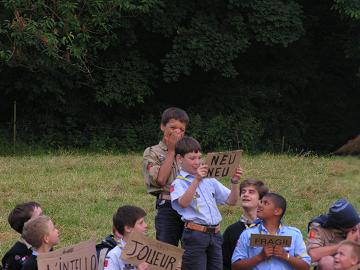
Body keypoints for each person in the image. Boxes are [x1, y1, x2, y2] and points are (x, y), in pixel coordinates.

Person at [170, 136, 242, 270]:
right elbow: (183, 203)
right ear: (180, 159)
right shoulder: (179, 182)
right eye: (192, 158)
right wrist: (196, 180)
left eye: (199, 157)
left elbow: (232, 201)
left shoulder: (210, 180)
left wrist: (234, 182)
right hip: (195, 235)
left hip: (215, 234)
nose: (197, 162)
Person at [143, 107, 189, 246]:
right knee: (167, 249)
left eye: (181, 129)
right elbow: (161, 180)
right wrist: (171, 151)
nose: (177, 132)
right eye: (173, 127)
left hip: (189, 206)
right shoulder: (153, 152)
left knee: (191, 251)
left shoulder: (189, 152)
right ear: (163, 126)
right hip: (168, 206)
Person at [232, 192, 311, 270]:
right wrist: (260, 257)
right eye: (261, 202)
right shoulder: (247, 234)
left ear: (277, 211)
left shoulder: (294, 234)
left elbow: (306, 266)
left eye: (265, 203)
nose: (259, 205)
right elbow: (235, 266)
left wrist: (285, 255)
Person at [222, 179, 269, 270]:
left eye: (251, 192)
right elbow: (224, 263)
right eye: (243, 192)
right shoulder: (231, 230)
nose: (245, 194)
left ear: (261, 200)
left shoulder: (271, 228)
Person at [307, 199, 360, 270]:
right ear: (340, 226)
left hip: (355, 262)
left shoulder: (356, 222)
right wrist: (344, 244)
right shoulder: (318, 228)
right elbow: (313, 255)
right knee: (326, 262)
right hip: (335, 264)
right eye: (352, 228)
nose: (356, 228)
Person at [104, 205, 150, 270]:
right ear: (128, 228)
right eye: (141, 223)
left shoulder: (150, 251)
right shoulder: (114, 255)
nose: (146, 225)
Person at [2, 202, 43, 270]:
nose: (47, 219)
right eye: (40, 217)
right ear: (28, 227)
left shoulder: (45, 243)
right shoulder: (14, 255)